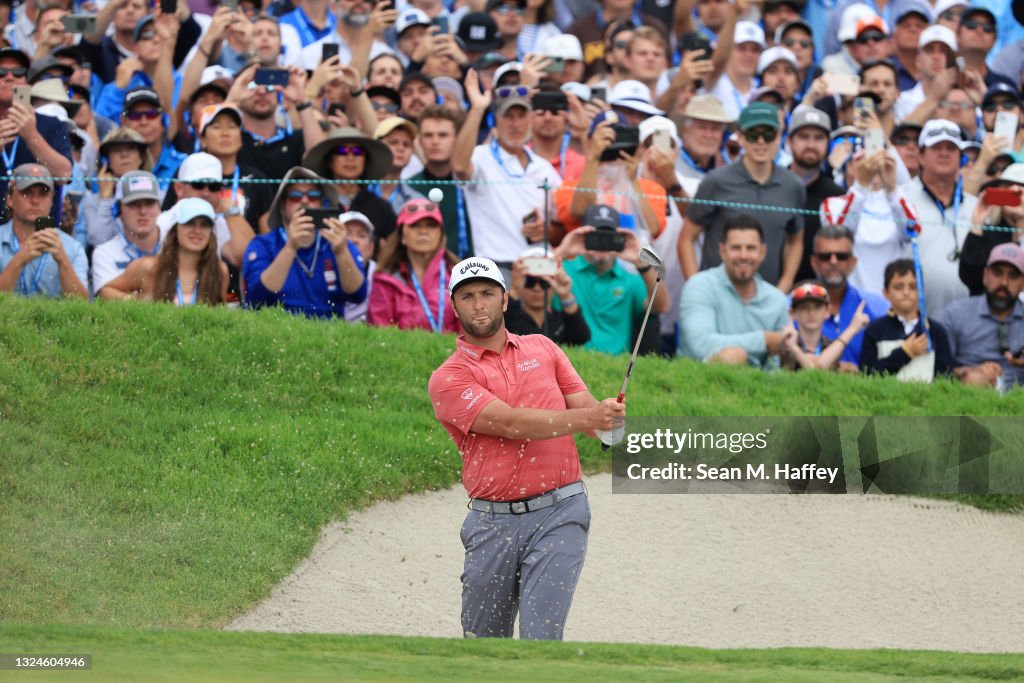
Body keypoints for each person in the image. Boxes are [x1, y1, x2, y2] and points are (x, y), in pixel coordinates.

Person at [427, 255, 624, 640]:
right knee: (484, 645)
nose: (478, 303)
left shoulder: (543, 348)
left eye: (487, 293)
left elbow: (582, 407)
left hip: (561, 511)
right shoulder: (448, 378)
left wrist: (608, 421)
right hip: (491, 522)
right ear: (454, 306)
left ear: (505, 299)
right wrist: (589, 420)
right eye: (467, 296)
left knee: (542, 640)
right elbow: (510, 423)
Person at [680, 101, 806, 291]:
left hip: (766, 300)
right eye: (753, 134)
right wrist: (696, 288)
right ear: (740, 137)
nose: (761, 141)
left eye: (769, 134)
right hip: (718, 296)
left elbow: (795, 240)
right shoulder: (716, 181)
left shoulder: (793, 186)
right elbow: (686, 239)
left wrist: (784, 285)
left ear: (779, 136)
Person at [453, 70, 561, 277]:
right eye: (508, 116)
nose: (515, 124)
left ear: (530, 118)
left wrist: (546, 230)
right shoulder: (480, 157)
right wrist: (477, 109)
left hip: (538, 268)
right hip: (495, 269)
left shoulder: (544, 168)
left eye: (522, 115)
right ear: (496, 120)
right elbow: (459, 166)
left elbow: (561, 225)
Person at [242, 166, 367, 319]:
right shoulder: (262, 245)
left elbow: (358, 295)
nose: (305, 200)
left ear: (322, 204)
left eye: (313, 196)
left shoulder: (338, 242)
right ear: (282, 207)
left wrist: (341, 253)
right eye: (295, 196)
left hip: (328, 335)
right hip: (277, 332)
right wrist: (291, 247)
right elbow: (256, 298)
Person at [553, 204, 669, 355]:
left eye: (609, 237)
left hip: (616, 365)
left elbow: (661, 307)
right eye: (596, 236)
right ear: (584, 236)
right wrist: (562, 251)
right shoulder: (562, 268)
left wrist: (642, 263)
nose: (602, 244)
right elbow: (529, 281)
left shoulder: (630, 280)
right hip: (570, 360)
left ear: (620, 239)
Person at [678, 214, 789, 366]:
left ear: (762, 252)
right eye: (736, 248)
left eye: (750, 248)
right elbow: (700, 345)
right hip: (699, 380)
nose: (743, 256)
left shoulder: (777, 300)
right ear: (722, 251)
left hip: (758, 385)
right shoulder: (699, 285)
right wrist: (763, 340)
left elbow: (775, 365)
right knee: (733, 356)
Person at [899, 119, 976, 312]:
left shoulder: (976, 207)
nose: (944, 153)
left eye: (951, 148)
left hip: (966, 320)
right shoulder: (900, 199)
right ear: (920, 156)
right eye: (936, 147)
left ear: (961, 157)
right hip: (912, 316)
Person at [102, 197, 229, 306]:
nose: (197, 230)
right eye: (189, 223)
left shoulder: (219, 271)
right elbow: (106, 290)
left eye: (205, 224)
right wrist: (137, 306)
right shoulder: (149, 267)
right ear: (175, 228)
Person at [936, 242, 1024, 389]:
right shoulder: (954, 313)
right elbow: (934, 368)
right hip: (963, 399)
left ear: (1023, 283)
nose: (1004, 282)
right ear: (985, 275)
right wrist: (966, 372)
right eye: (997, 272)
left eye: (1013, 276)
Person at [368, 199, 459, 332]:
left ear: (440, 234)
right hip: (400, 352)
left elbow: (469, 333)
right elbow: (380, 334)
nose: (423, 231)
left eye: (431, 225)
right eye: (414, 225)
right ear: (402, 236)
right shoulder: (384, 279)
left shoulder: (458, 275)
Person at [0, 163, 87, 298]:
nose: (35, 201)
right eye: (26, 193)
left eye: (43, 193)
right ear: (10, 199)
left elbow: (82, 308)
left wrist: (63, 262)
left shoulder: (72, 248)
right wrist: (19, 260)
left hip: (54, 320)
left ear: (52, 200)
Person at [860, 258, 955, 381]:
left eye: (913, 287)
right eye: (898, 287)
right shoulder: (875, 330)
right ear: (886, 293)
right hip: (885, 399)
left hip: (926, 399)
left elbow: (945, 378)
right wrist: (905, 353)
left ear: (921, 291)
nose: (906, 292)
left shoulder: (936, 331)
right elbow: (866, 374)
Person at [787, 107, 844, 283]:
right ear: (789, 142)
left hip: (820, 294)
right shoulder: (774, 186)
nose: (811, 145)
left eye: (818, 138)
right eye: (803, 137)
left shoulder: (837, 195)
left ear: (828, 144)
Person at [409, 106, 473, 258]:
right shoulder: (410, 187)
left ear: (457, 139)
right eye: (428, 135)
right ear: (420, 141)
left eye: (443, 135)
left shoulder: (474, 184)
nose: (435, 142)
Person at [93, 171, 163, 296]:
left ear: (159, 207)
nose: (143, 211)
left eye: (149, 203)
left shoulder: (176, 244)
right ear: (119, 210)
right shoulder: (104, 253)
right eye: (134, 204)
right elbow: (107, 298)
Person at [504, 246, 591, 345]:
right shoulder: (510, 317)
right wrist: (515, 290)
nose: (537, 288)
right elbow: (500, 330)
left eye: (545, 282)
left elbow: (581, 337)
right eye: (530, 282)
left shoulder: (562, 320)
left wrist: (566, 296)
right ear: (519, 282)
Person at [960, 165, 1024, 295]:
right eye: (1008, 186)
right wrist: (977, 224)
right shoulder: (987, 233)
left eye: (1021, 189)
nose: (1015, 190)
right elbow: (969, 277)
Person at [780, 281, 870, 371]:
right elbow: (816, 369)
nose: (811, 313)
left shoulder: (830, 345)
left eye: (817, 307)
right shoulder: (785, 343)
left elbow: (818, 366)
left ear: (828, 311)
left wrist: (794, 348)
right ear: (792, 313)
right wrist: (851, 330)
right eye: (804, 307)